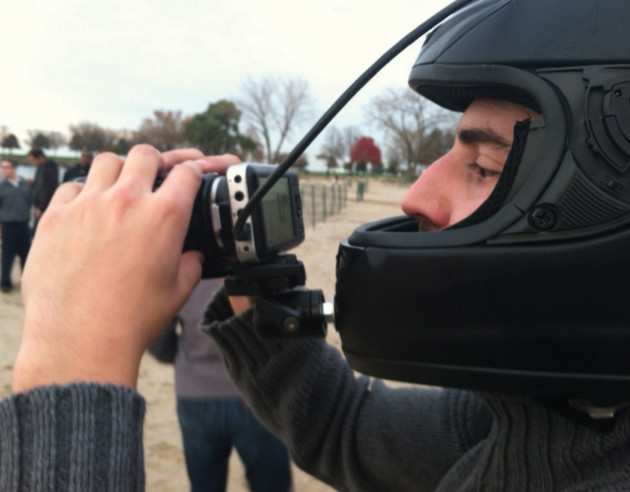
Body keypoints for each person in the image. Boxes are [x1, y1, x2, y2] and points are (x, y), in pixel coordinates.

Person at [3, 1, 630, 490]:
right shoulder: (557, 414)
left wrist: (67, 360)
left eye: (485, 165)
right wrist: (251, 280)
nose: (417, 196)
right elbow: (347, 429)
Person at [169, 279, 292, 492]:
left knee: (204, 485)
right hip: (258, 391)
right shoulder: (263, 252)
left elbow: (160, 333)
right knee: (272, 485)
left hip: (196, 392)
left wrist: (183, 358)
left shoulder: (183, 264)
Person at [0, 159, 33, 293]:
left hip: (24, 226)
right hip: (8, 227)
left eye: (6, 167)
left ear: (14, 168)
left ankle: (26, 282)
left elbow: (31, 200)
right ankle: (5, 283)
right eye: (2, 167)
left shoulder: (25, 184)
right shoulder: (1, 187)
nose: (3, 170)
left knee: (26, 256)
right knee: (8, 256)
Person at [27, 147, 58, 231]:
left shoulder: (50, 167)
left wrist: (41, 207)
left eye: (33, 159)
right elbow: (40, 186)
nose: (33, 162)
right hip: (39, 206)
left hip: (44, 207)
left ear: (40, 157)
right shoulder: (40, 167)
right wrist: (32, 184)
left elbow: (49, 189)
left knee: (39, 230)